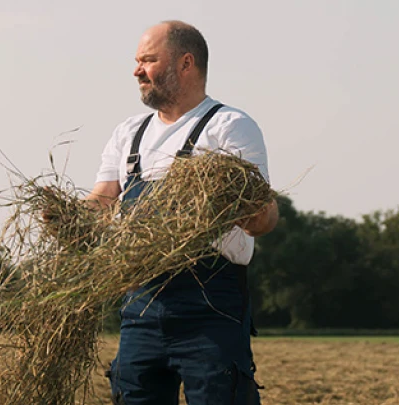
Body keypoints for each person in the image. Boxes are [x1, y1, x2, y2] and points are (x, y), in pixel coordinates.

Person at [74, 20, 277, 404]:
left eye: (149, 60)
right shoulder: (128, 133)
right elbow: (102, 200)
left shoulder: (229, 127)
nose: (137, 70)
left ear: (186, 63)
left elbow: (264, 220)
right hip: (140, 306)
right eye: (137, 61)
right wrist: (70, 218)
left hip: (210, 309)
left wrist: (240, 203)